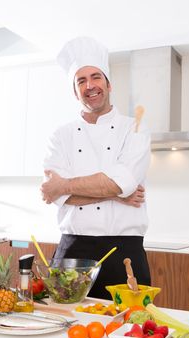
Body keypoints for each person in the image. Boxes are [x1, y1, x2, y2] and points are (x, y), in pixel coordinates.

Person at [41, 36, 151, 300]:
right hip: (72, 249)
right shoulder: (60, 135)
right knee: (65, 330)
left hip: (124, 251)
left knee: (126, 329)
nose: (90, 85)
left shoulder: (134, 126)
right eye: (81, 81)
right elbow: (53, 195)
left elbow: (121, 181)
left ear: (109, 84)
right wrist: (116, 194)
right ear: (74, 91)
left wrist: (65, 186)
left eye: (95, 77)